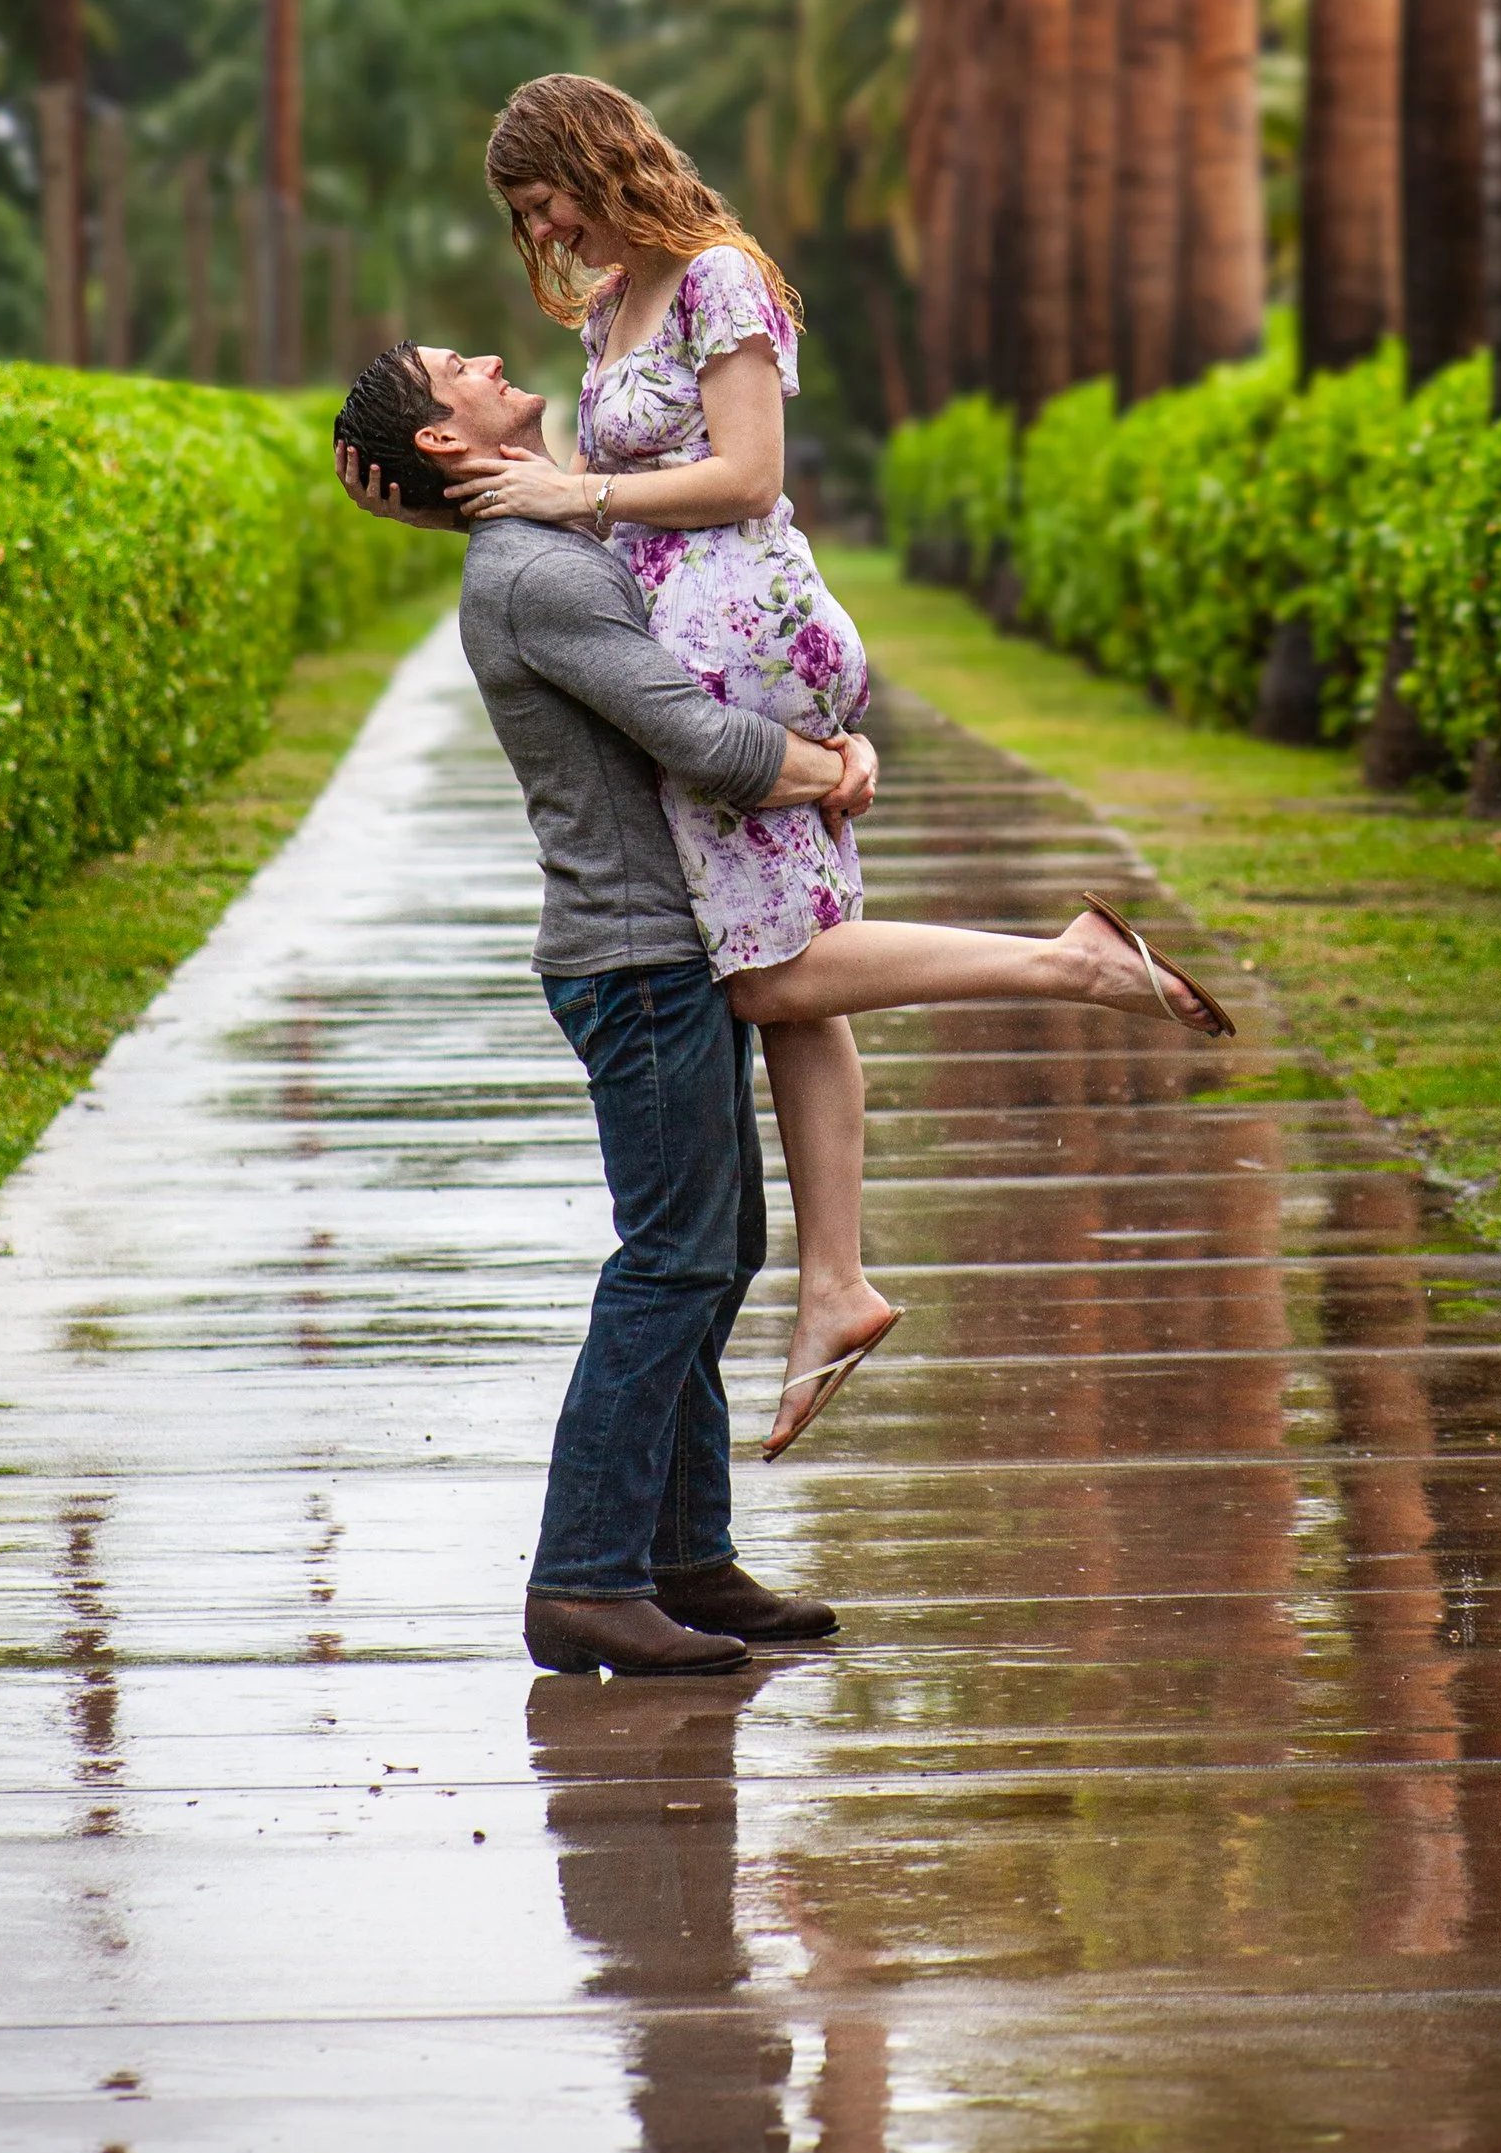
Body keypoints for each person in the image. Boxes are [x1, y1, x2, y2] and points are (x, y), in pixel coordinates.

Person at [334, 336, 1236, 1659]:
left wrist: (435, 488)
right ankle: (585, 1576)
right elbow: (696, 736)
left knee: (711, 1257)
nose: (485, 353)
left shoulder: (538, 536)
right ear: (451, 440)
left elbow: (661, 526)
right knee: (672, 1260)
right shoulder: (529, 573)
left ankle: (686, 1559)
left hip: (664, 950)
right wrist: (830, 767)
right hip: (635, 959)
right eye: (453, 366)